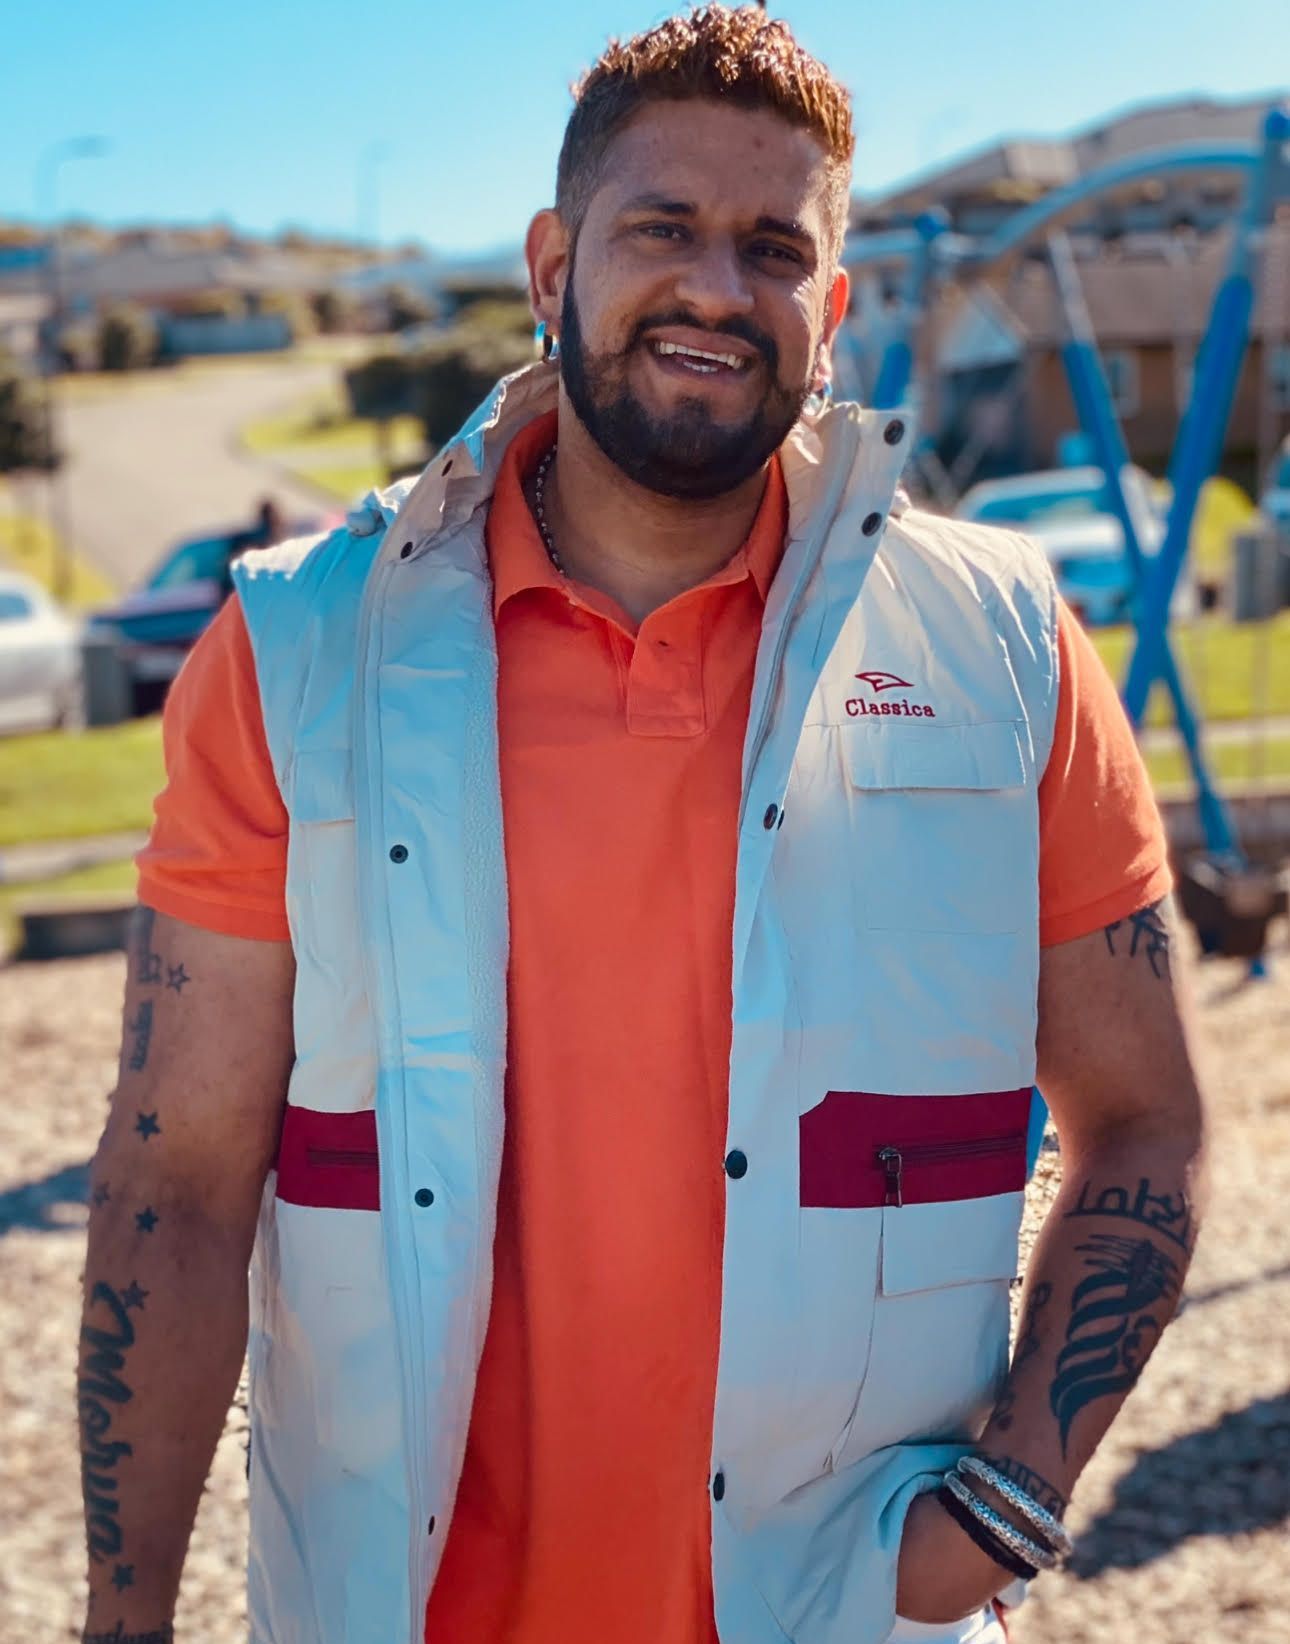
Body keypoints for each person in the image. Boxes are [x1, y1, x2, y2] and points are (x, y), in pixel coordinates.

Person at [77, 9, 1206, 1644]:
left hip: (835, 1611)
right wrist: (125, 1625)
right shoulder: (297, 652)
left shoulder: (1000, 643)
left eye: (771, 247)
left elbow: (1144, 1120)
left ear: (829, 306)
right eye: (660, 229)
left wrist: (1009, 1509)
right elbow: (174, 1184)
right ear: (552, 264)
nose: (715, 288)